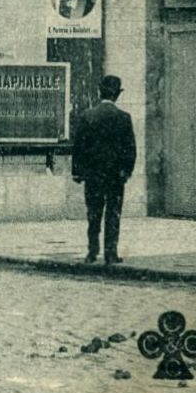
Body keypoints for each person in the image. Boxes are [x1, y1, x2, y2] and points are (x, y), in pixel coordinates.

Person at [71, 75, 137, 265]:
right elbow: (130, 149)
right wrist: (126, 171)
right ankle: (111, 253)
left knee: (93, 213)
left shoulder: (87, 116)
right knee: (113, 213)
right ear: (117, 95)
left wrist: (77, 172)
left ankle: (92, 252)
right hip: (116, 176)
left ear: (100, 92)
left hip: (93, 175)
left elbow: (78, 148)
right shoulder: (124, 118)